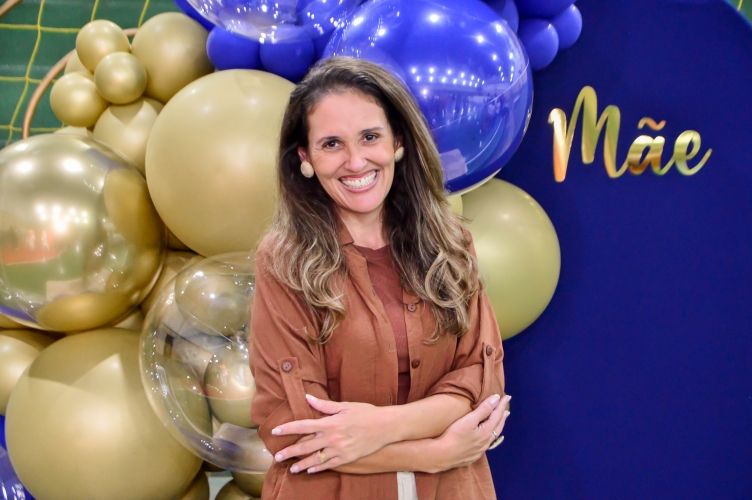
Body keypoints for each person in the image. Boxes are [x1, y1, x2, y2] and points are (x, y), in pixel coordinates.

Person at [249, 57, 509, 500]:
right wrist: (435, 452)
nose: (355, 161)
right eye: (332, 144)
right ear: (305, 158)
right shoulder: (283, 261)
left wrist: (377, 427)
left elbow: (481, 385)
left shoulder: (450, 243)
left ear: (398, 142)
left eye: (370, 137)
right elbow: (295, 432)